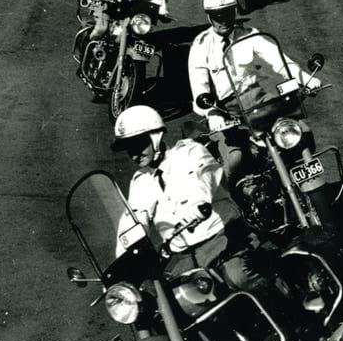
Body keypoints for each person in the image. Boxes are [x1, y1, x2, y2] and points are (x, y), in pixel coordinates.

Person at [112, 105, 268, 291]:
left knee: (238, 277)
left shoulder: (189, 152)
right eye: (129, 148)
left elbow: (204, 177)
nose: (135, 154)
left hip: (223, 238)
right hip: (183, 255)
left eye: (138, 144)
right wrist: (121, 265)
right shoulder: (140, 181)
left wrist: (197, 204)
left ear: (155, 137)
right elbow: (133, 219)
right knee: (171, 301)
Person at [188, 0, 321, 191]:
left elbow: (278, 59)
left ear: (234, 12)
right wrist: (212, 112)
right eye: (217, 15)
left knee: (299, 132)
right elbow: (199, 86)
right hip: (227, 109)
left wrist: (303, 78)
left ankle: (300, 179)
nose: (223, 19)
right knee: (234, 160)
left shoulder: (249, 35)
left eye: (227, 13)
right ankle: (234, 203)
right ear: (209, 16)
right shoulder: (201, 45)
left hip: (260, 98)